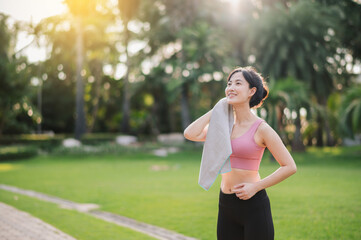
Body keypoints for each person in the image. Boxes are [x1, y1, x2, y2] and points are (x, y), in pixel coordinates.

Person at [183, 66, 297, 240]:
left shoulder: (262, 129)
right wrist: (217, 109)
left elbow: (289, 166)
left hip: (253, 205)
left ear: (251, 91)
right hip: (226, 204)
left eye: (238, 83)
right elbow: (190, 133)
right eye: (229, 84)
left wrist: (256, 187)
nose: (231, 88)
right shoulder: (223, 127)